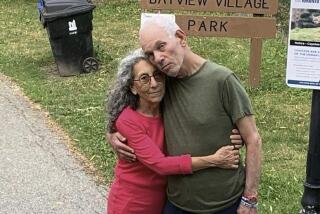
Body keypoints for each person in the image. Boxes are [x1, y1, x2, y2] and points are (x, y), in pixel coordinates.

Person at [108, 13, 262, 214]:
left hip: (224, 203)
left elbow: (253, 139)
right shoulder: (161, 83)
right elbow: (128, 106)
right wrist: (111, 133)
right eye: (150, 54)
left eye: (161, 46)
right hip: (176, 204)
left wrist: (249, 199)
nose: (158, 59)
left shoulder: (222, 80)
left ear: (181, 37)